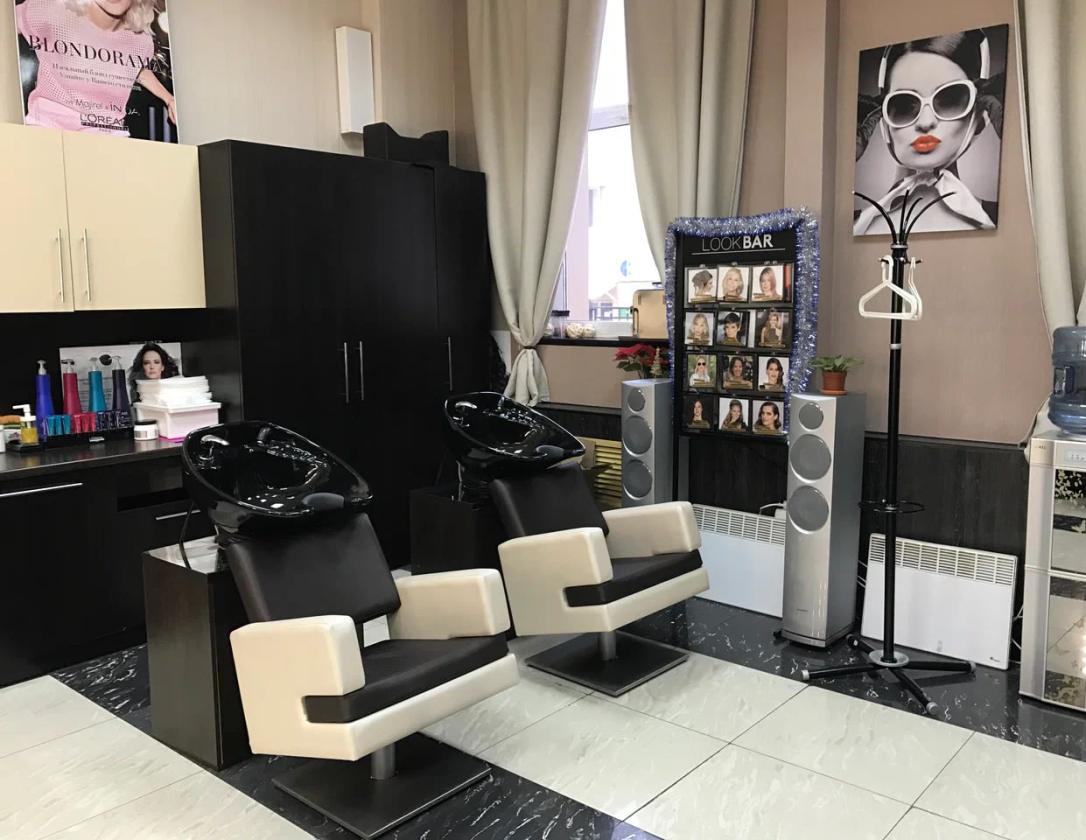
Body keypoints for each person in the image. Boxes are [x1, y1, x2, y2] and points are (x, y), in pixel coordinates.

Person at [854, 29, 1002, 234]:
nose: (925, 122)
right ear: (882, 117)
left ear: (979, 116)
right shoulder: (852, 225)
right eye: (904, 105)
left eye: (950, 100)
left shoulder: (1003, 218)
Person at [15, 0, 176, 135]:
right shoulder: (51, 10)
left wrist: (169, 99)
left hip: (106, 133)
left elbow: (135, 68)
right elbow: (7, 23)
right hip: (46, 126)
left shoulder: (140, 41)